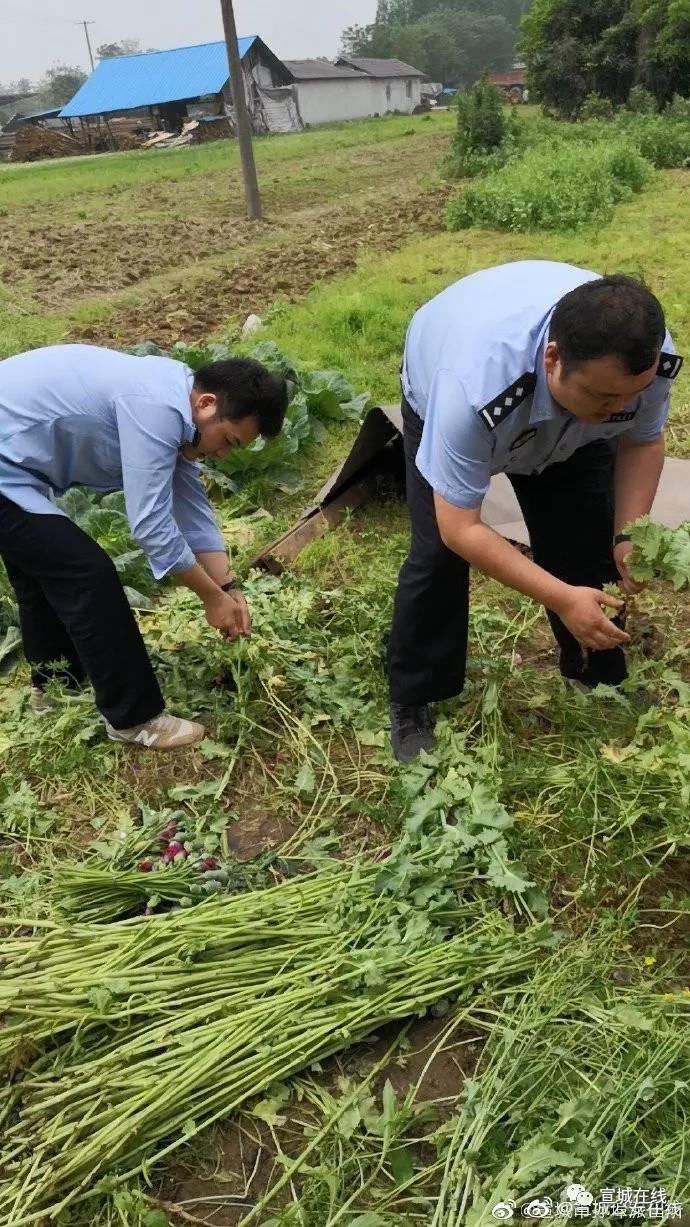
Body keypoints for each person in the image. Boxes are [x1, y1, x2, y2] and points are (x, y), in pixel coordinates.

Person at [388, 261, 683, 762]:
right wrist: (561, 597)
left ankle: (596, 676)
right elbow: (460, 527)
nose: (619, 408)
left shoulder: (643, 364)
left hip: (564, 414)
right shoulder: (472, 390)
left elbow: (641, 441)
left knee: (586, 541)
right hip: (452, 372)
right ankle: (414, 697)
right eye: (605, 395)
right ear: (553, 358)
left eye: (630, 395)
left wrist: (627, 534)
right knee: (437, 557)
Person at [0, 344, 288, 751]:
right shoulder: (156, 407)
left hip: (13, 468)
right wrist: (210, 598)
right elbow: (152, 526)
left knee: (42, 572)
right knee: (87, 573)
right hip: (5, 468)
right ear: (207, 404)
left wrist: (229, 588)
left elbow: (190, 504)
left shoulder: (176, 396)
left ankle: (54, 685)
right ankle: (134, 719)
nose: (221, 454)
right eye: (228, 441)